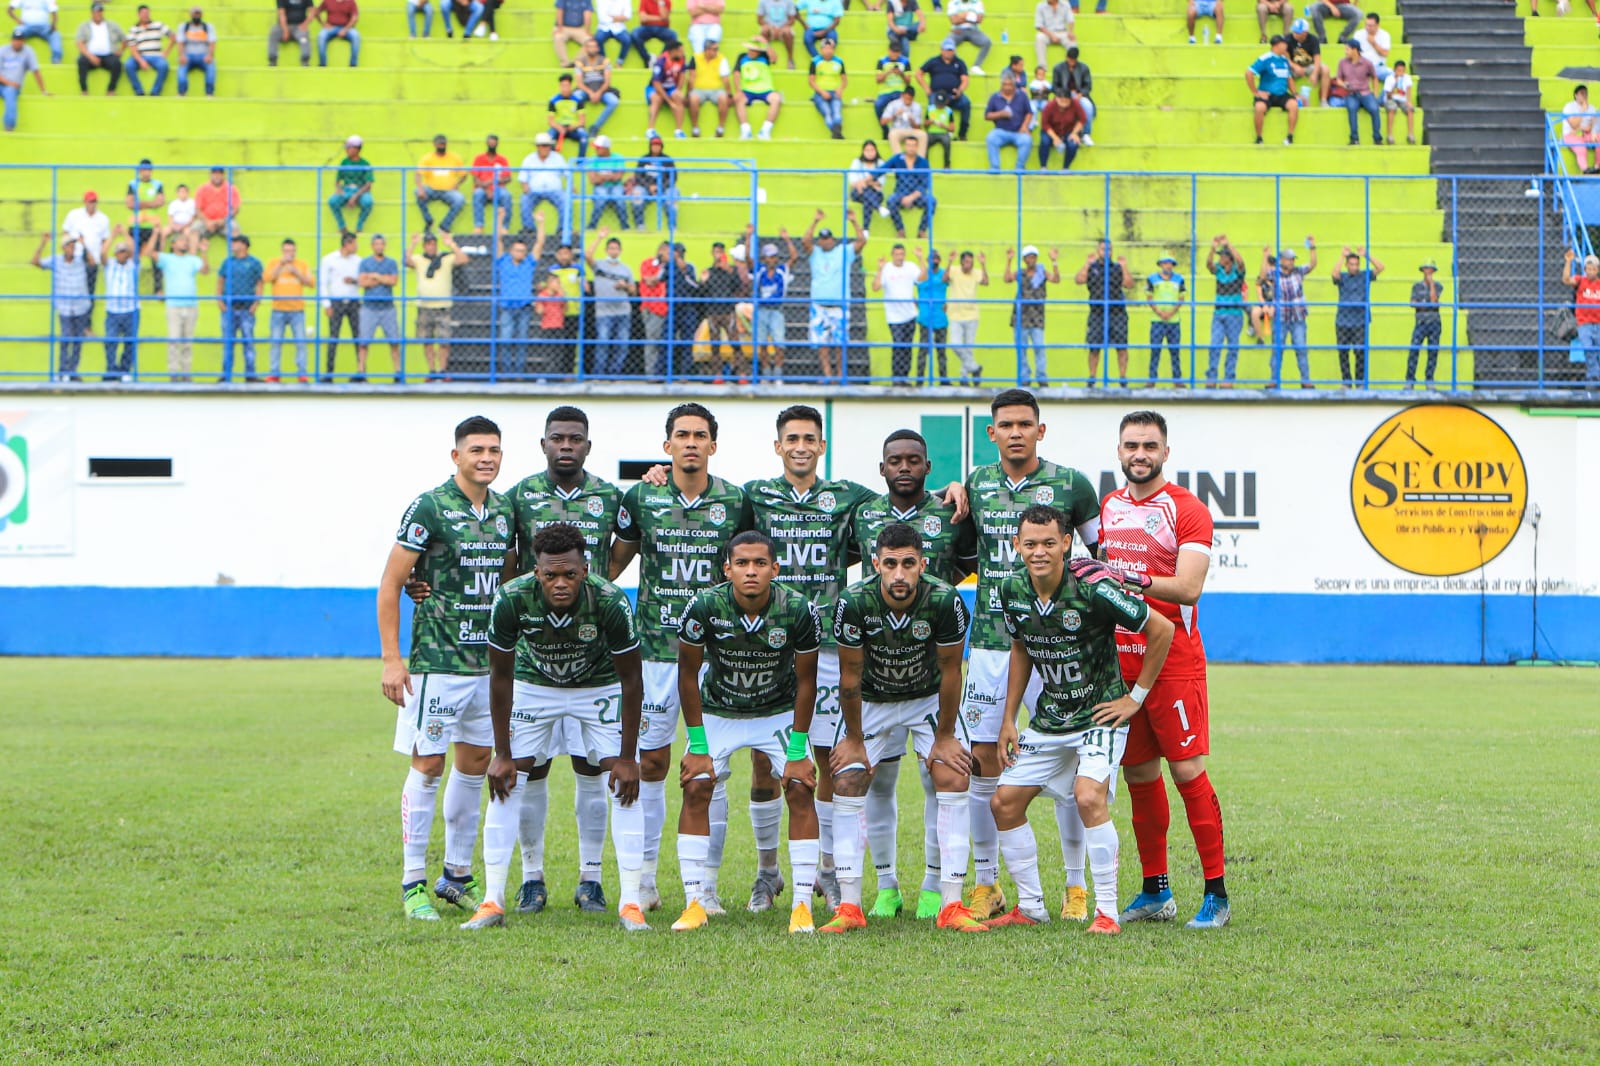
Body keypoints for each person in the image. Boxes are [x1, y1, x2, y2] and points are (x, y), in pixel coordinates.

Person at [982, 504, 1174, 933]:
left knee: (1088, 797)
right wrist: (1010, 718)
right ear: (1016, 545)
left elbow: (1161, 629)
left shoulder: (1093, 587)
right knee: (1004, 803)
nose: (1039, 552)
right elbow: (1021, 648)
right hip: (1051, 718)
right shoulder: (1012, 590)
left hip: (1100, 715)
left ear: (1066, 543)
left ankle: (1105, 914)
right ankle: (1031, 908)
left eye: (1049, 543)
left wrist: (1135, 698)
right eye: (1030, 543)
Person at [957, 390, 1101, 922]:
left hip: (1058, 646)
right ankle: (988, 883)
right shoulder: (976, 483)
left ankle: (1074, 887)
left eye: (1025, 424)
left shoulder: (1073, 484)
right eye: (1004, 424)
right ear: (991, 433)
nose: (1015, 432)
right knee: (983, 762)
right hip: (993, 644)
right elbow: (962, 552)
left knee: (1068, 763)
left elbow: (1098, 558)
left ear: (1042, 431)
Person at [462, 521, 647, 930]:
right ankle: (492, 901)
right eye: (550, 575)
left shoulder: (611, 600)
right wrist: (502, 753)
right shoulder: (511, 598)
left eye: (569, 574)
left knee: (624, 783)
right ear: (535, 572)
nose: (560, 583)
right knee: (508, 780)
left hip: (596, 686)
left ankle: (630, 903)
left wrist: (629, 757)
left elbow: (632, 680)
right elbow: (500, 678)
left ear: (585, 570)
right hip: (534, 685)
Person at [609, 403, 753, 913]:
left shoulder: (737, 501)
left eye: (700, 436)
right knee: (650, 762)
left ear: (714, 445)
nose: (691, 443)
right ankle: (644, 880)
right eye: (681, 435)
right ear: (666, 445)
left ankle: (706, 885)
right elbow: (613, 566)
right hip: (654, 653)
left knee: (709, 770)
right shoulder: (642, 496)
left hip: (715, 657)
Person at [377, 416, 515, 920]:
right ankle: (413, 882)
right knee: (428, 764)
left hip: (490, 666)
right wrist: (393, 660)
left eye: (495, 450)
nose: (486, 458)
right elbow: (391, 582)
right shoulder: (430, 506)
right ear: (455, 456)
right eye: (476, 449)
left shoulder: (504, 510)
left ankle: (456, 875)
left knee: (474, 764)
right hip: (437, 663)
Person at [1096, 410, 1229, 929]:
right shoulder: (1109, 507)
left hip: (1174, 661)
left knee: (1187, 772)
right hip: (1122, 662)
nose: (1140, 454)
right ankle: (1156, 890)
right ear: (1120, 450)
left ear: (1166, 452)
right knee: (1139, 775)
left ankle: (1216, 893)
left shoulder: (1188, 509)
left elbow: (1190, 587)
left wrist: (1129, 578)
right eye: (1131, 445)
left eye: (1149, 445)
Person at [823, 522, 976, 932]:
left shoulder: (944, 600)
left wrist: (944, 738)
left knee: (954, 775)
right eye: (890, 564)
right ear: (875, 564)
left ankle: (951, 904)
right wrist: (854, 740)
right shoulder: (854, 601)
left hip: (926, 696)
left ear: (922, 564)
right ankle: (851, 907)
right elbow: (850, 676)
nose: (899, 574)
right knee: (848, 780)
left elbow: (950, 672)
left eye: (909, 564)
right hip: (872, 699)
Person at [848, 433, 976, 917]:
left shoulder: (952, 512)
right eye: (894, 461)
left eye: (914, 461)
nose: (904, 468)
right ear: (881, 469)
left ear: (927, 466)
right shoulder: (861, 512)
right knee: (876, 782)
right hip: (879, 671)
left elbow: (969, 564)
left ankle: (932, 886)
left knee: (936, 778)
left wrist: (957, 487)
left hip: (930, 671)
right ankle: (886, 887)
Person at [669, 530, 821, 933]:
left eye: (759, 564)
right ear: (727, 569)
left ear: (775, 568)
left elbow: (808, 681)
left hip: (777, 711)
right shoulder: (705, 606)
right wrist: (697, 745)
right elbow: (687, 675)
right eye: (741, 564)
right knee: (697, 784)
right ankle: (694, 903)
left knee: (801, 786)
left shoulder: (798, 609)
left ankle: (802, 906)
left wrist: (799, 748)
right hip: (721, 709)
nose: (750, 572)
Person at [801, 209, 867, 380]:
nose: (826, 242)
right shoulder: (815, 253)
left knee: (840, 345)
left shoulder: (843, 252)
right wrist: (815, 221)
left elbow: (862, 241)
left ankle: (840, 375)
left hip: (840, 306)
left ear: (833, 240)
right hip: (819, 306)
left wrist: (853, 221)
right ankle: (828, 376)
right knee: (822, 345)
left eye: (828, 239)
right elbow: (805, 241)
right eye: (822, 239)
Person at [32, 230, 93, 381]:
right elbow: (35, 262)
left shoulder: (80, 259)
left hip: (80, 307)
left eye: (73, 245)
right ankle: (62, 371)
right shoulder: (56, 260)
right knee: (66, 338)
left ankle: (73, 371)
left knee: (78, 341)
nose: (71, 248)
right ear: (63, 247)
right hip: (65, 307)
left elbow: (92, 262)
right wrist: (43, 243)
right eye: (68, 245)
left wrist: (83, 244)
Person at [408, 229, 468, 381]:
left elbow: (463, 259)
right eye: (428, 244)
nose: (431, 247)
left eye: (433, 244)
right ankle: (432, 370)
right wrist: (412, 244)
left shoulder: (446, 259)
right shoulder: (419, 259)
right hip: (424, 306)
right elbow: (407, 261)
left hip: (443, 306)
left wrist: (451, 244)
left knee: (444, 341)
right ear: (424, 246)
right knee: (427, 340)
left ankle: (442, 369)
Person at [150, 229, 206, 381]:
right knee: (174, 340)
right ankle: (174, 372)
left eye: (186, 241)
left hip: (191, 305)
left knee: (187, 341)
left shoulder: (192, 259)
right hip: (174, 305)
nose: (185, 243)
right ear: (173, 244)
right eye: (181, 240)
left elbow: (205, 270)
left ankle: (186, 372)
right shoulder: (167, 259)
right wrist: (157, 234)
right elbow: (150, 253)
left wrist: (204, 252)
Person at [1076, 239, 1131, 385]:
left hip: (1117, 312)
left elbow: (1129, 284)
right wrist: (1087, 264)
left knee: (1121, 346)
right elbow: (1079, 280)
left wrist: (1124, 267)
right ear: (1098, 251)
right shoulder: (1092, 267)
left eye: (1109, 249)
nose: (1106, 252)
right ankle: (1092, 377)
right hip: (1097, 312)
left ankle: (1123, 378)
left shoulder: (1117, 267)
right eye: (1103, 249)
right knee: (1094, 347)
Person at [1003, 246, 1058, 388]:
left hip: (1037, 317)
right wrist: (1009, 261)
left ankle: (1041, 376)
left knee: (1039, 347)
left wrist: (1054, 262)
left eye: (1033, 257)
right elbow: (1007, 278)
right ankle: (1024, 377)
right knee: (1021, 349)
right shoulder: (1020, 273)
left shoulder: (1042, 273)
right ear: (1024, 259)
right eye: (1028, 257)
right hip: (1021, 317)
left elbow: (1056, 279)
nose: (1031, 260)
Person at [746, 227, 797, 380]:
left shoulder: (782, 270)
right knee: (761, 343)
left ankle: (778, 372)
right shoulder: (759, 270)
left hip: (776, 310)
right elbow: (748, 259)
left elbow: (794, 257)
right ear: (764, 258)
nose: (772, 259)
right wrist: (748, 237)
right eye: (769, 257)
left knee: (779, 342)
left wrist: (787, 239)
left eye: (774, 256)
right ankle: (766, 371)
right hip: (761, 310)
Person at [586, 229, 636, 376]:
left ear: (620, 251)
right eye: (611, 248)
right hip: (603, 311)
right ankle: (599, 374)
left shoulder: (626, 269)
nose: (613, 251)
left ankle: (614, 373)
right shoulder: (600, 265)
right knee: (603, 343)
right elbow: (588, 255)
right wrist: (599, 237)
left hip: (623, 311)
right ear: (606, 250)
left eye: (616, 248)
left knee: (622, 345)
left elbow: (633, 291)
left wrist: (625, 286)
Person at [874, 244, 926, 383]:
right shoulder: (886, 268)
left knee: (907, 347)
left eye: (902, 254)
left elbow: (922, 278)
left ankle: (904, 377)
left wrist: (921, 258)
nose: (899, 257)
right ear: (892, 255)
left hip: (910, 314)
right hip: (894, 316)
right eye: (897, 254)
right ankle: (896, 377)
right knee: (898, 345)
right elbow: (876, 287)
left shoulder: (910, 266)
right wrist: (879, 269)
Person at [1268, 238, 1316, 387]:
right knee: (1277, 349)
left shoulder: (1298, 271)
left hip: (1297, 317)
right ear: (1282, 260)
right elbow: (1263, 276)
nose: (1292, 262)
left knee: (1301, 348)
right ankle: (1274, 380)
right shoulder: (1275, 273)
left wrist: (1312, 248)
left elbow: (1312, 265)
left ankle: (1305, 380)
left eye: (1293, 260)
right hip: (1281, 318)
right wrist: (1265, 257)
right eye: (1289, 260)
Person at [214, 234, 262, 383]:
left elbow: (259, 283)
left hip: (247, 309)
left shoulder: (254, 263)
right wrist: (220, 301)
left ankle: (250, 374)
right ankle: (226, 374)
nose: (233, 246)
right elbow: (220, 281)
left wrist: (256, 303)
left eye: (236, 243)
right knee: (228, 343)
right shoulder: (228, 262)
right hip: (229, 308)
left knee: (248, 342)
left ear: (244, 245)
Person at [264, 237, 313, 383]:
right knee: (276, 342)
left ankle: (302, 373)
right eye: (286, 251)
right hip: (278, 309)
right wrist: (280, 265)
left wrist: (296, 272)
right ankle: (274, 373)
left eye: (291, 251)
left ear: (295, 251)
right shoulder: (274, 263)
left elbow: (311, 283)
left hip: (297, 310)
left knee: (300, 342)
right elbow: (267, 278)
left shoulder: (302, 265)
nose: (289, 254)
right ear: (282, 251)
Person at [1331, 245, 1381, 386]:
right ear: (1347, 265)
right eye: (1351, 264)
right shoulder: (1343, 277)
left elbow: (1380, 267)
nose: (1354, 267)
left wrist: (1367, 255)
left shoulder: (1364, 275)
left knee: (1360, 352)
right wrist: (1342, 256)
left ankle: (1359, 382)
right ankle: (1346, 382)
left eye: (1357, 264)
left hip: (1360, 320)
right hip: (1343, 320)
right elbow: (1334, 274)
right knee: (1343, 352)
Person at [492, 230, 538, 378]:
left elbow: (540, 243)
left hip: (524, 307)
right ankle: (506, 371)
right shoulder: (503, 261)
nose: (520, 253)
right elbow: (498, 240)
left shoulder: (529, 263)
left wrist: (541, 224)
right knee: (505, 340)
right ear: (511, 251)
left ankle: (519, 372)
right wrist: (499, 219)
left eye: (523, 251)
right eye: (517, 250)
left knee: (522, 341)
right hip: (507, 307)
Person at [356, 233, 401, 383]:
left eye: (381, 244)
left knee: (394, 341)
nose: (379, 247)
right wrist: (383, 279)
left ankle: (398, 372)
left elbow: (393, 281)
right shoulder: (365, 262)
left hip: (388, 307)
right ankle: (361, 372)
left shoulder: (391, 263)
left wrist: (375, 276)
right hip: (369, 308)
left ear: (384, 245)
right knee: (363, 342)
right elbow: (362, 283)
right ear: (372, 246)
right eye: (376, 244)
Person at [317, 230, 361, 380]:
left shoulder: (358, 261)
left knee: (358, 337)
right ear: (347, 244)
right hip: (336, 302)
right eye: (354, 243)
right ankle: (329, 373)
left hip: (354, 302)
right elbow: (323, 283)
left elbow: (363, 280)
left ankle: (361, 372)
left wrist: (354, 281)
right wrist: (326, 304)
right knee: (333, 337)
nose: (356, 246)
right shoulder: (329, 259)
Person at [874, 133, 936, 238]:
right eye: (908, 145)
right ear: (904, 146)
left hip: (918, 195)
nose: (911, 148)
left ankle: (922, 230)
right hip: (900, 193)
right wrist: (869, 179)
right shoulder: (898, 159)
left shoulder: (923, 163)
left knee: (932, 201)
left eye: (913, 145)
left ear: (917, 147)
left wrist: (911, 197)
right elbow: (882, 169)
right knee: (891, 201)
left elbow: (924, 184)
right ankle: (900, 230)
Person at [1204, 235, 1245, 384]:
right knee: (1214, 345)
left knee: (1232, 347)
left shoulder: (1237, 271)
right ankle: (1212, 377)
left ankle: (1228, 378)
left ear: (1229, 258)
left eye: (1222, 256)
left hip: (1234, 314)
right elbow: (1209, 265)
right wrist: (1212, 248)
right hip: (1219, 313)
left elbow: (1241, 262)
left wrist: (1229, 245)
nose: (1220, 258)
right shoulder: (1219, 270)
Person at [99, 228, 139, 380]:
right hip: (113, 311)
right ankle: (111, 370)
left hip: (130, 310)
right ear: (116, 254)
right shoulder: (110, 266)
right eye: (120, 252)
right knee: (110, 341)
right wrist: (113, 236)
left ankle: (125, 371)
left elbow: (135, 251)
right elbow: (102, 254)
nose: (123, 255)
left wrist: (125, 235)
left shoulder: (132, 266)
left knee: (130, 343)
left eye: (125, 252)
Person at [520, 132, 573, 241]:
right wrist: (525, 186)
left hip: (554, 190)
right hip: (534, 190)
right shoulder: (529, 159)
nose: (546, 148)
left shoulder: (558, 158)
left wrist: (571, 186)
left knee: (565, 199)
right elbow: (523, 177)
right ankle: (529, 228)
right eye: (543, 145)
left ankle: (563, 229)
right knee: (524, 199)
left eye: (547, 145)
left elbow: (568, 174)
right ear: (537, 146)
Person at [944, 248, 987, 384]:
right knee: (955, 345)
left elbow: (985, 282)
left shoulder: (976, 272)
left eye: (971, 262)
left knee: (968, 348)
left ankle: (964, 376)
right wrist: (949, 261)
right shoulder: (954, 270)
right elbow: (944, 279)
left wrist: (983, 264)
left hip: (972, 315)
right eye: (967, 262)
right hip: (955, 315)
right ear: (961, 262)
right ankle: (975, 368)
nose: (970, 265)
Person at [1247, 34, 1298, 145]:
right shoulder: (1265, 58)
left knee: (1294, 105)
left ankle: (1290, 136)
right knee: (1259, 107)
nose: (1286, 45)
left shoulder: (1285, 60)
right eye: (1283, 43)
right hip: (1267, 94)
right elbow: (1249, 73)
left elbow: (1289, 78)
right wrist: (1256, 92)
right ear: (1277, 45)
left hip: (1282, 94)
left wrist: (1295, 93)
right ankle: (1259, 138)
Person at [917, 39, 972, 140]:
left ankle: (962, 134)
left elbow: (965, 79)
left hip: (953, 95)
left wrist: (960, 90)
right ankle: (930, 133)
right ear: (941, 50)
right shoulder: (933, 61)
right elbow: (919, 73)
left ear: (954, 51)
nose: (948, 52)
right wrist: (926, 88)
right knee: (931, 108)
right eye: (946, 50)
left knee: (966, 103)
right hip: (937, 95)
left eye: (951, 50)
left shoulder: (959, 63)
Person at [1145, 254, 1186, 385]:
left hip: (1174, 321)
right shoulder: (1152, 279)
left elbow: (1181, 298)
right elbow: (1149, 297)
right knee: (1155, 350)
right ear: (1161, 264)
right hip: (1157, 321)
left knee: (1175, 351)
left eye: (1170, 263)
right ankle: (1152, 380)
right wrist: (1159, 312)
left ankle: (1177, 380)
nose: (1168, 266)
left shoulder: (1179, 279)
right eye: (1165, 263)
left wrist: (1171, 312)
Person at [62, 190, 111, 296]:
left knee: (90, 291)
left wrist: (101, 257)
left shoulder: (103, 219)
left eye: (93, 201)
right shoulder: (74, 215)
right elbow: (65, 233)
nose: (91, 204)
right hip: (76, 258)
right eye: (89, 201)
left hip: (93, 260)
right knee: (74, 288)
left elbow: (104, 240)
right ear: (84, 202)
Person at [732, 36, 781, 139]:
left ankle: (765, 130)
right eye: (749, 49)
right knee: (737, 99)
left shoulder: (765, 57)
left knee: (776, 98)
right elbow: (736, 73)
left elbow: (774, 58)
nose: (750, 52)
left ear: (759, 51)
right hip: (747, 90)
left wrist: (765, 42)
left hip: (765, 90)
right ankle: (746, 130)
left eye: (753, 50)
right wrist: (738, 90)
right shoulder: (742, 57)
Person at [415, 133, 466, 233]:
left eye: (443, 144)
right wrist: (420, 188)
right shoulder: (427, 158)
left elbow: (464, 175)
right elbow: (418, 174)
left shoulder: (454, 157)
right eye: (439, 144)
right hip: (431, 189)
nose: (441, 146)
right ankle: (428, 220)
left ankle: (444, 225)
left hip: (448, 191)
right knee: (417, 192)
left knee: (460, 199)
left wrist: (457, 184)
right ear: (434, 144)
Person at [3, 27, 50, 134]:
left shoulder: (28, 52)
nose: (17, 42)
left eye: (19, 40)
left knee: (10, 92)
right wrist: (9, 83)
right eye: (15, 39)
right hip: (6, 82)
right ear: (11, 40)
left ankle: (9, 126)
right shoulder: (3, 50)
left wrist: (43, 90)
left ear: (23, 41)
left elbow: (36, 71)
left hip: (12, 87)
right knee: (10, 88)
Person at [1563, 250, 1600, 385]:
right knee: (1589, 349)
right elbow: (1566, 280)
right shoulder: (1580, 281)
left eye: (1594, 269)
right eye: (1588, 269)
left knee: (1596, 350)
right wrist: (1568, 262)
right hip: (1584, 322)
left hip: (1598, 322)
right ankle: (1594, 377)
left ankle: (1594, 376)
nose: (1591, 272)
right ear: (1585, 270)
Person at [984, 73, 1032, 171]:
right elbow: (987, 115)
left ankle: (1020, 167)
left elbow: (1029, 113)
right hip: (1001, 131)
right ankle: (995, 167)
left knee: (1027, 140)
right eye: (1005, 84)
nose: (1007, 87)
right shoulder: (995, 97)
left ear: (1014, 84)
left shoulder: (1022, 96)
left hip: (1018, 131)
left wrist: (1024, 126)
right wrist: (1000, 114)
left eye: (1009, 84)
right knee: (990, 138)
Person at [575, 35, 622, 136]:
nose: (592, 49)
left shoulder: (605, 61)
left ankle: (595, 127)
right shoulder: (580, 62)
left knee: (613, 101)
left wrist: (599, 92)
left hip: (602, 89)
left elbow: (607, 81)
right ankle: (578, 126)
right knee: (576, 98)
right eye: (589, 46)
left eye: (594, 47)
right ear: (586, 48)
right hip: (586, 89)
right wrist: (590, 93)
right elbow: (579, 83)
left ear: (598, 48)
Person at [1335, 40, 1379, 147]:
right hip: (1351, 93)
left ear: (1355, 50)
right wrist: (1344, 85)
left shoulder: (1367, 63)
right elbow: (1338, 79)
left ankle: (1377, 137)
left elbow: (1374, 77)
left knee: (1374, 109)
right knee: (1352, 109)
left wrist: (1375, 93)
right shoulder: (1342, 62)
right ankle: (1354, 138)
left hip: (1365, 92)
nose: (1345, 52)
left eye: (1347, 49)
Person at [1406, 258, 1442, 388]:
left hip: (1434, 323)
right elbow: (1412, 303)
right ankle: (1410, 380)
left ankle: (1429, 379)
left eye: (1430, 269)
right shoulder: (1416, 286)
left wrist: (1431, 284)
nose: (1428, 272)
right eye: (1426, 269)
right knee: (1414, 350)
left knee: (1432, 351)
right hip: (1420, 322)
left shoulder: (1438, 285)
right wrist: (1422, 305)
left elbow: (1434, 301)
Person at [1047, 45, 1093, 144]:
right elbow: (1055, 86)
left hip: (1079, 95)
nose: (1071, 62)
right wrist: (1063, 95)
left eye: (1073, 60)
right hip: (1063, 95)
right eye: (1069, 59)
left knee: (1088, 106)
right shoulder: (1058, 68)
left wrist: (1080, 94)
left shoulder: (1084, 68)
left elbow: (1088, 86)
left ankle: (1086, 134)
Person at [74, 3, 124, 94]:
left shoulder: (112, 25)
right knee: (81, 61)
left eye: (100, 12)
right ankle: (84, 90)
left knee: (117, 64)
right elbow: (79, 43)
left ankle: (111, 90)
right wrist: (90, 56)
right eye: (96, 12)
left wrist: (121, 50)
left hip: (108, 55)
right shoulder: (84, 26)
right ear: (92, 13)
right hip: (90, 55)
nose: (98, 14)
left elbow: (124, 39)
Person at [915, 249, 948, 383]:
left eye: (936, 259)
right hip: (925, 319)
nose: (934, 261)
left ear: (939, 261)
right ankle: (920, 379)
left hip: (940, 319)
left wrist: (950, 261)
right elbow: (921, 280)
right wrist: (920, 258)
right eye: (931, 259)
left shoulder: (943, 274)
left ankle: (943, 379)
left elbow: (949, 279)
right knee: (923, 351)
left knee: (941, 352)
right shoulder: (923, 274)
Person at [329, 134, 374, 233]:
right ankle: (342, 227)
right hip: (346, 189)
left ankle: (359, 227)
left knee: (368, 202)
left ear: (357, 149)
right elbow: (338, 181)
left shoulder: (365, 164)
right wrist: (339, 189)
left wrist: (355, 196)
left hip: (360, 190)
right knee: (332, 201)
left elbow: (368, 184)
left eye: (349, 148)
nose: (347, 150)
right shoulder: (344, 162)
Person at [469, 133, 513, 235]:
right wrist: (486, 188)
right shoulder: (479, 158)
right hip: (482, 189)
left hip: (499, 189)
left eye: (494, 143)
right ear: (486, 143)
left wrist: (494, 182)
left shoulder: (502, 159)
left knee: (507, 195)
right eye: (490, 142)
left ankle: (504, 227)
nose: (492, 145)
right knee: (477, 194)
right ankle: (479, 226)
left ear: (497, 144)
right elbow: (475, 179)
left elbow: (508, 178)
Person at [645, 37, 688, 140]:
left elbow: (682, 76)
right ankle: (650, 129)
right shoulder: (661, 61)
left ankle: (678, 130)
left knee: (679, 97)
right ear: (673, 51)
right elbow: (656, 83)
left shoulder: (682, 59)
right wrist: (669, 102)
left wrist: (678, 89)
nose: (683, 53)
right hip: (656, 88)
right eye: (681, 51)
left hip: (671, 87)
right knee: (656, 99)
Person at [687, 37, 731, 137]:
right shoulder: (695, 58)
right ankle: (695, 128)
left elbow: (725, 79)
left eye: (717, 49)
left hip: (716, 89)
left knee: (723, 97)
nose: (717, 51)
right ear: (707, 50)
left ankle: (720, 127)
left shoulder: (721, 59)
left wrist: (729, 93)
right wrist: (688, 93)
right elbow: (691, 77)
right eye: (714, 49)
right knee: (693, 98)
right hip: (699, 89)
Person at [630, 135, 676, 229]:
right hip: (646, 188)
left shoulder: (667, 160)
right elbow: (638, 176)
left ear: (661, 147)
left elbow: (673, 177)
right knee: (637, 193)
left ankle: (672, 226)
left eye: (658, 145)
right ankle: (640, 225)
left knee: (672, 194)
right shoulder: (644, 159)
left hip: (664, 188)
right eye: (654, 145)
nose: (656, 147)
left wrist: (661, 187)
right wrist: (649, 187)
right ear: (650, 146)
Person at [638, 241, 670, 376]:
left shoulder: (671, 267)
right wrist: (662, 271)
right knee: (652, 340)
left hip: (668, 308)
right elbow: (650, 280)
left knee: (665, 342)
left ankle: (662, 371)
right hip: (652, 307)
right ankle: (651, 372)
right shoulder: (648, 263)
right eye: (667, 252)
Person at [585, 134, 631, 228]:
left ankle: (625, 225)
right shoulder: (593, 159)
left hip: (616, 185)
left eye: (598, 148)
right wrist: (610, 176)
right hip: (600, 187)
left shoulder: (618, 158)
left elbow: (618, 177)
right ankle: (592, 225)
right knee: (602, 198)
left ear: (606, 148)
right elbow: (593, 179)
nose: (596, 149)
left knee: (619, 198)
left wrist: (601, 176)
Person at [124, 5, 172, 92]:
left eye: (147, 13)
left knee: (163, 65)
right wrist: (141, 61)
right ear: (138, 14)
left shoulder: (158, 25)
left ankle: (155, 92)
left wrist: (166, 52)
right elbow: (132, 48)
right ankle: (139, 91)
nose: (145, 15)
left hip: (156, 56)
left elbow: (173, 37)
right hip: (140, 55)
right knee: (128, 65)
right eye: (143, 13)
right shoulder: (133, 29)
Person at [1036, 85, 1085, 168]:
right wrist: (1055, 137)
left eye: (1066, 101)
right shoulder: (1049, 106)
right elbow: (1045, 124)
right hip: (1051, 130)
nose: (1064, 103)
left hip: (1068, 130)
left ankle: (1065, 168)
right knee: (1045, 141)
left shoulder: (1075, 104)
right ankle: (1043, 166)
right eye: (1061, 100)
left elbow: (1082, 119)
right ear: (1057, 98)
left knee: (1073, 144)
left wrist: (1074, 133)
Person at [808, 34, 846, 139]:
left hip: (834, 92)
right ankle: (837, 134)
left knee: (837, 112)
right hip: (820, 93)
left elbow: (844, 80)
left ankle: (836, 134)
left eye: (830, 48)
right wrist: (821, 92)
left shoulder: (839, 61)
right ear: (821, 49)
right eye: (826, 48)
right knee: (827, 112)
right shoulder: (815, 61)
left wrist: (840, 89)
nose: (828, 51)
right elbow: (811, 81)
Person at [174, 7, 216, 97]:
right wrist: (181, 55)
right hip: (188, 56)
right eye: (194, 14)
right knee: (181, 70)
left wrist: (209, 55)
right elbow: (180, 42)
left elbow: (212, 42)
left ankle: (209, 93)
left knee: (211, 67)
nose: (196, 16)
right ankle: (182, 92)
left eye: (198, 14)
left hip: (204, 55)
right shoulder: (184, 27)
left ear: (201, 15)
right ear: (191, 15)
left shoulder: (208, 27)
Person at [874, 39, 912, 136]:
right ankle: (885, 130)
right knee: (878, 105)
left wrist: (901, 74)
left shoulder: (905, 61)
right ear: (889, 50)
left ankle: (901, 132)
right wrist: (888, 72)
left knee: (903, 108)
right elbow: (878, 80)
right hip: (885, 92)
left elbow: (908, 82)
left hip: (900, 92)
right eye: (893, 51)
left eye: (897, 52)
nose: (895, 54)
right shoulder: (882, 61)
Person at [548, 72, 590, 155]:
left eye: (566, 86)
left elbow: (582, 121)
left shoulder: (578, 100)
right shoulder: (553, 100)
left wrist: (574, 126)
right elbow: (551, 121)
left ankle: (580, 162)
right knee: (549, 137)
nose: (564, 89)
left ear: (570, 86)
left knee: (584, 136)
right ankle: (553, 160)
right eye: (562, 86)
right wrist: (559, 128)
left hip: (573, 128)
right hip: (559, 128)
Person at [194, 166, 239, 241]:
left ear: (223, 175)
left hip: (225, 221)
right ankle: (192, 253)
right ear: (210, 175)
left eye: (219, 174)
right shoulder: (202, 189)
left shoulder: (231, 189)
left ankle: (233, 253)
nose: (217, 176)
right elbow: (198, 209)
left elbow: (235, 209)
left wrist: (224, 220)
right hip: (206, 221)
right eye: (214, 174)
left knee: (235, 230)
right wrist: (207, 221)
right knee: (193, 231)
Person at [945, 0, 989, 74]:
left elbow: (979, 19)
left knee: (987, 42)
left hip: (973, 30)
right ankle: (956, 66)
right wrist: (970, 16)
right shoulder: (953, 2)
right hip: (957, 30)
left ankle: (976, 66)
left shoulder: (977, 2)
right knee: (948, 42)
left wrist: (961, 16)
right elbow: (954, 20)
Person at [848, 140, 885, 228]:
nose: (870, 153)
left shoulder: (880, 163)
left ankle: (865, 230)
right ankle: (879, 208)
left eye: (872, 150)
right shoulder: (857, 162)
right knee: (867, 194)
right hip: (858, 192)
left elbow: (880, 183)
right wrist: (871, 183)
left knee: (867, 201)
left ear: (876, 151)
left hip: (875, 194)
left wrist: (863, 182)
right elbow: (853, 182)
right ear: (863, 151)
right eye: (867, 150)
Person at [1562, 85, 1597, 174]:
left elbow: (1593, 124)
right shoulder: (1569, 107)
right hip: (1571, 135)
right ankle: (1586, 170)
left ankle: (1597, 167)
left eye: (1586, 94)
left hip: (1586, 133)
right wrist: (1583, 111)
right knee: (1580, 145)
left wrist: (1590, 130)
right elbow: (1573, 125)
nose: (1584, 96)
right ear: (1576, 95)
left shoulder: (1592, 108)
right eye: (1582, 93)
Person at [312, 0, 359, 66]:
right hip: (331, 27)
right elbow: (316, 12)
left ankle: (353, 64)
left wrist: (345, 30)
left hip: (346, 27)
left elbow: (354, 18)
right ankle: (322, 64)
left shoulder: (350, 2)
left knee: (356, 36)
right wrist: (323, 24)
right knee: (321, 36)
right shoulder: (327, 1)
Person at [1348, 12, 1389, 81]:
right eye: (1366, 25)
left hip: (1378, 67)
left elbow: (1385, 53)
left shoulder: (1384, 35)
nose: (1367, 28)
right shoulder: (1358, 34)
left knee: (1394, 77)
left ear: (1377, 25)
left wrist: (1374, 43)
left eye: (1370, 26)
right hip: (1361, 66)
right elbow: (1353, 52)